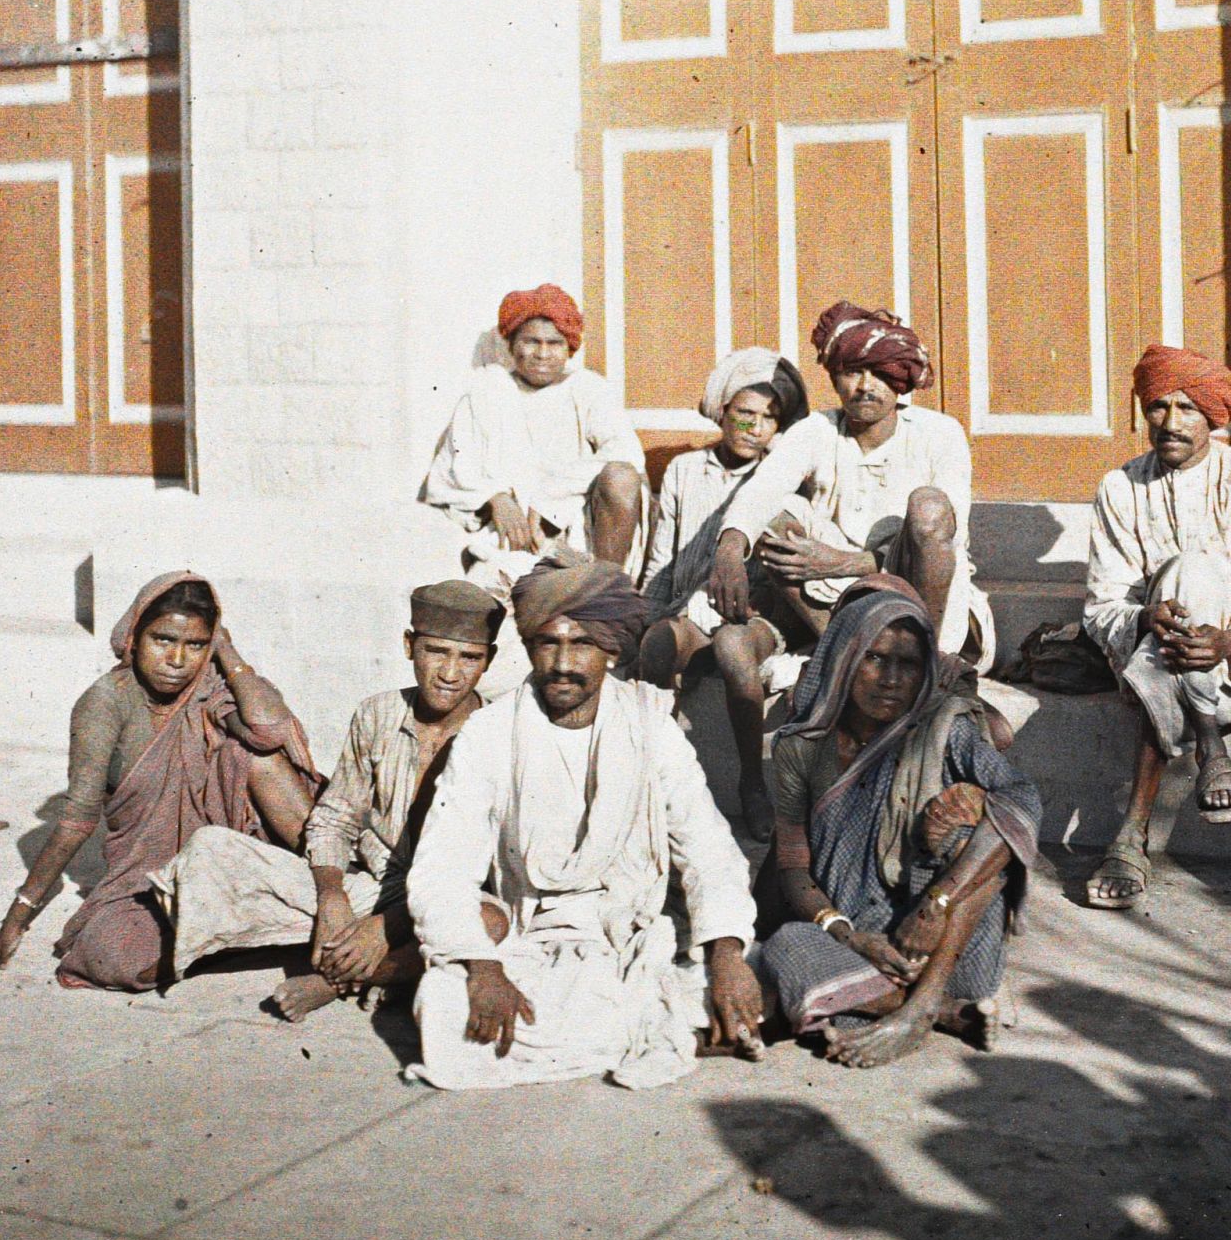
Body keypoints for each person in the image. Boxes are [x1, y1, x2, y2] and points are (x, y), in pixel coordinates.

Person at [402, 553, 766, 1090]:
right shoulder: (490, 733)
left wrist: (728, 952)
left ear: (612, 651)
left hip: (629, 940)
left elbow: (707, 846)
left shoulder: (651, 723)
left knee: (732, 972)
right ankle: (649, 1029)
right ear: (529, 648)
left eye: (583, 644)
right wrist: (483, 968)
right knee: (442, 1001)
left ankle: (633, 1022)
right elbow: (442, 866)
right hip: (530, 944)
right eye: (549, 643)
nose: (564, 663)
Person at [142, 582, 504, 1019]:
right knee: (210, 850)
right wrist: (332, 896)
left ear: (490, 660)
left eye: (469, 658)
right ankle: (372, 957)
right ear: (409, 646)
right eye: (436, 652)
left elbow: (487, 867)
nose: (450, 672)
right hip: (375, 883)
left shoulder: (500, 730)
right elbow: (335, 817)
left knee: (490, 922)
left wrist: (391, 926)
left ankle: (342, 978)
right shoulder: (377, 713)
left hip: (451, 894)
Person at [0, 573, 322, 992]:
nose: (177, 660)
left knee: (256, 757)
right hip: (152, 877)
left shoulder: (208, 685)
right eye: (163, 640)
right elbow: (77, 820)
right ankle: (273, 930)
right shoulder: (105, 703)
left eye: (195, 644)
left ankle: (331, 892)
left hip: (235, 861)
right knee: (113, 957)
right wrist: (13, 924)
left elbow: (269, 731)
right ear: (134, 637)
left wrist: (226, 651)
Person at [753, 583, 1042, 1068]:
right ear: (844, 660)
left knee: (976, 826)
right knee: (785, 948)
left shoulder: (945, 727)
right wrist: (849, 936)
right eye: (875, 658)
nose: (890, 679)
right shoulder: (799, 748)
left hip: (944, 946)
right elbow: (794, 870)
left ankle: (921, 1004)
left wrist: (936, 906)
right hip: (859, 941)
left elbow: (1022, 799)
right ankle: (947, 1014)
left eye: (907, 665)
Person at [1082, 345, 1231, 910]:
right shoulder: (1120, 487)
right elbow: (1102, 608)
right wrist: (1147, 616)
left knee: (1197, 571)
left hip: (1225, 651)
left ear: (1212, 417)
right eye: (1157, 408)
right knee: (1179, 585)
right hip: (1148, 643)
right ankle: (1210, 746)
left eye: (1187, 409)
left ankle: (1133, 831)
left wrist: (1227, 639)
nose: (1170, 424)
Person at [705, 300, 996, 671]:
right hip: (836, 600)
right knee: (775, 520)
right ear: (833, 378)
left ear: (900, 380)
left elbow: (946, 537)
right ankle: (848, 653)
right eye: (853, 372)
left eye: (880, 373)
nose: (865, 387)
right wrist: (730, 547)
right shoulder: (817, 429)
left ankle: (921, 662)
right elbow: (764, 488)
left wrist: (842, 563)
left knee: (929, 506)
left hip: (927, 601)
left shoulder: (940, 433)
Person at [639, 346, 812, 841]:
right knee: (655, 646)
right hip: (691, 610)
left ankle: (752, 785)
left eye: (769, 418)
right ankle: (655, 779)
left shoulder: (785, 479)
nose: (756, 427)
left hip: (751, 618)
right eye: (745, 414)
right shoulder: (685, 471)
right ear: (722, 411)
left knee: (736, 654)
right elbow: (663, 558)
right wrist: (651, 615)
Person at [421, 283, 649, 597]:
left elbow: (627, 454)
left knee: (621, 475)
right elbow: (453, 469)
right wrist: (496, 497)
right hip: (510, 535)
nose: (542, 354)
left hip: (579, 530)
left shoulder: (588, 388)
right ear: (512, 344)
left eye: (554, 343)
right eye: (531, 341)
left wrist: (549, 499)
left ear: (569, 347)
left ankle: (606, 591)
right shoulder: (489, 390)